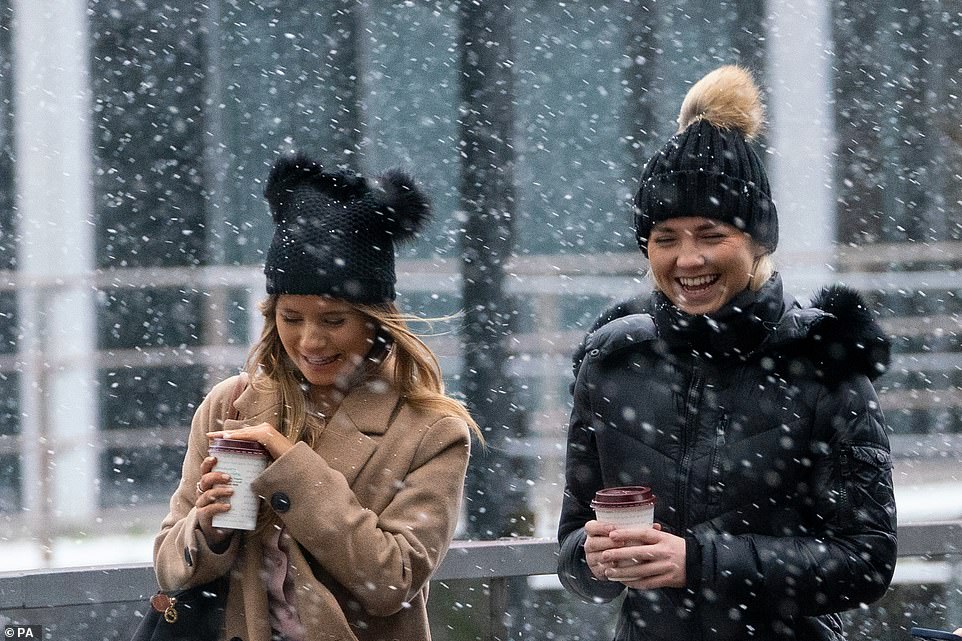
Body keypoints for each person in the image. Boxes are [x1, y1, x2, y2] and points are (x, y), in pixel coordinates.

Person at [557, 65, 897, 640]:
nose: (688, 260)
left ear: (758, 240)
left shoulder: (825, 362)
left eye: (711, 234)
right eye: (665, 238)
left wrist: (700, 562)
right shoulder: (611, 364)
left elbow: (866, 561)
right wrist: (590, 559)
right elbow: (571, 549)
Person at [152, 152, 480, 641]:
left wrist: (291, 468)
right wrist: (209, 528)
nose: (309, 341)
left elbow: (392, 580)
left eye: (332, 321)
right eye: (290, 317)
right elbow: (168, 564)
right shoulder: (230, 406)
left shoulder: (432, 432)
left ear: (376, 321)